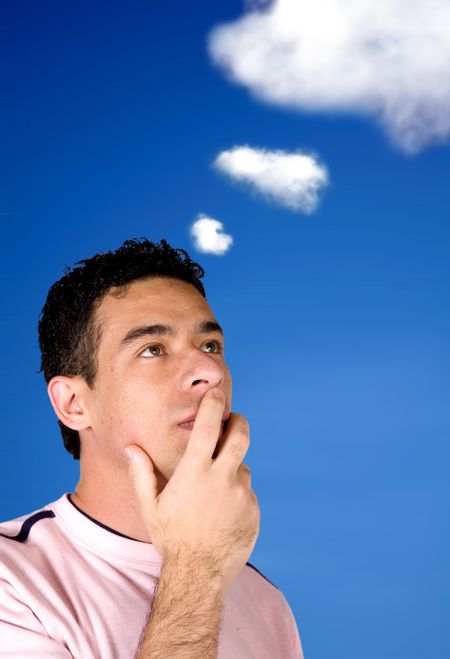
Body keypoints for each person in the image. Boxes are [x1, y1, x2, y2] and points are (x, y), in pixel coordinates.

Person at [0, 237, 304, 658]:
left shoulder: (264, 602)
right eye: (152, 349)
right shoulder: (12, 583)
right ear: (73, 404)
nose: (208, 371)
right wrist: (196, 570)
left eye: (210, 345)